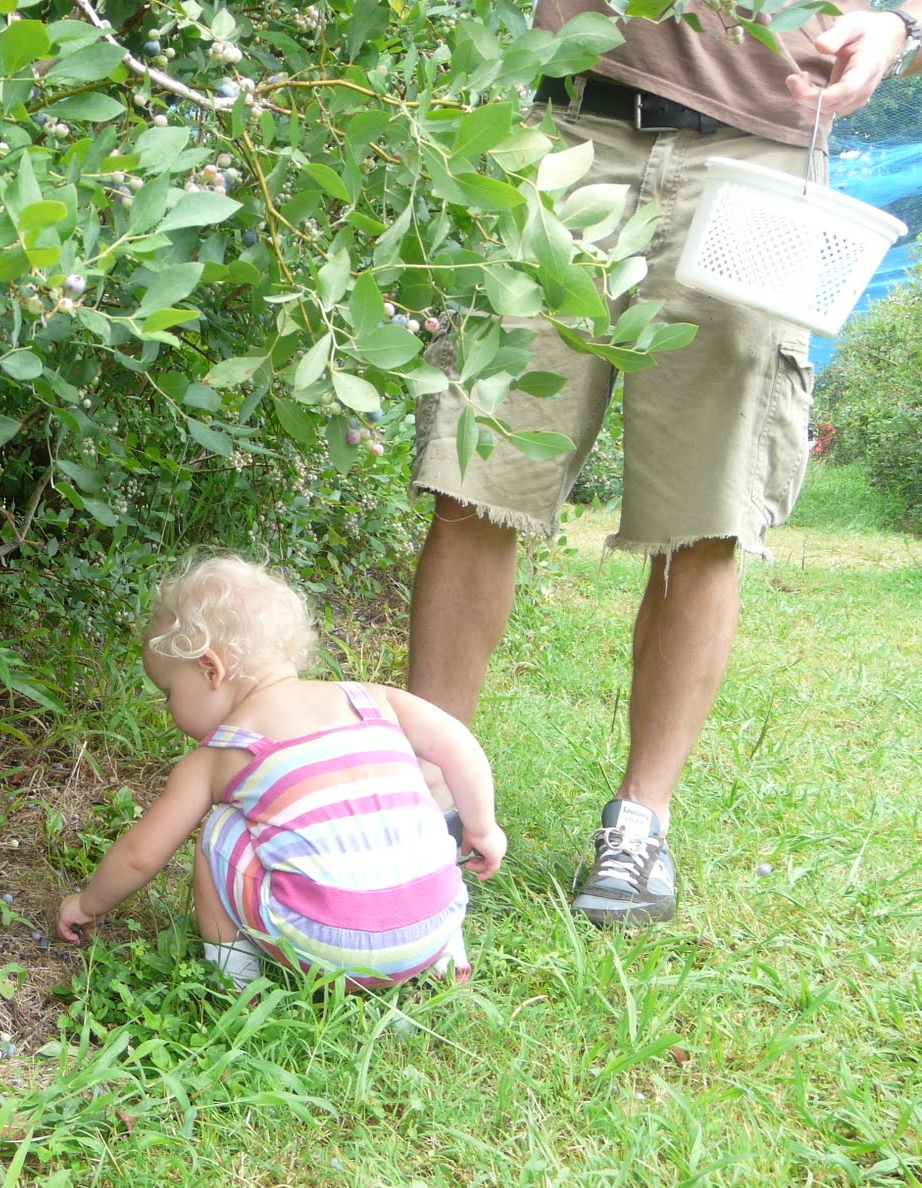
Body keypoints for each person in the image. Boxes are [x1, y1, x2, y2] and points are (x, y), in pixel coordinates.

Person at [406, 0, 920, 926]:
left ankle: (640, 824)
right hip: (569, 130)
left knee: (706, 511)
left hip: (762, 162)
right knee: (475, 473)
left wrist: (894, 23)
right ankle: (424, 793)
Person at [56, 553, 506, 989]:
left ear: (210, 669)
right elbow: (458, 745)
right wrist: (483, 828)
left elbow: (141, 854)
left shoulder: (221, 755)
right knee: (405, 813)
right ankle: (448, 965)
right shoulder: (371, 700)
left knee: (219, 832)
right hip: (433, 924)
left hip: (326, 949)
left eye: (168, 693)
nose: (168, 708)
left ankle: (233, 978)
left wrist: (88, 902)